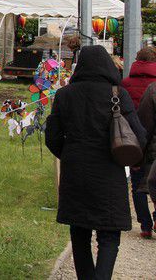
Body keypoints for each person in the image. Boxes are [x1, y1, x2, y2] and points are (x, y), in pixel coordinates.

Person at [46, 45, 147, 280]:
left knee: (79, 231)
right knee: (109, 235)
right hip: (109, 172)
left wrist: (69, 154)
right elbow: (139, 136)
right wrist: (127, 158)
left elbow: (52, 137)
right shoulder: (117, 94)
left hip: (75, 172)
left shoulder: (64, 95)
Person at [122, 46, 156, 238]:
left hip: (134, 137)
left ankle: (145, 225)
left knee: (138, 184)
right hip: (153, 141)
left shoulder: (125, 83)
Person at [137, 81, 156, 233]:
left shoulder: (153, 89)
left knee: (152, 181)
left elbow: (145, 125)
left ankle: (147, 224)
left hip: (153, 149)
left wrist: (139, 154)